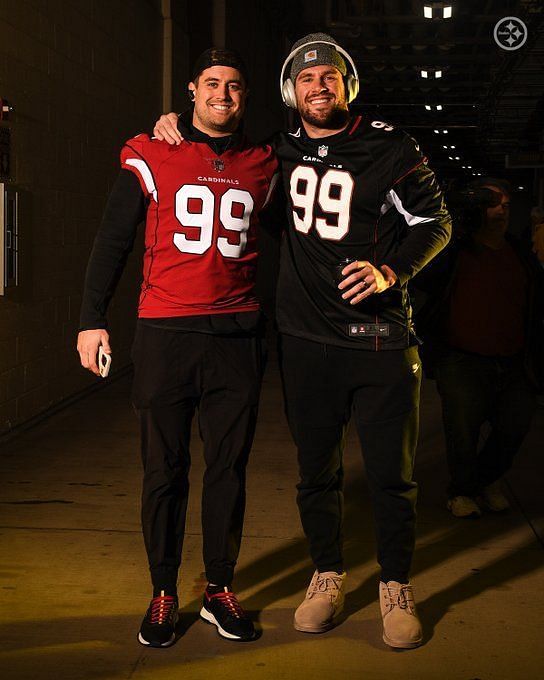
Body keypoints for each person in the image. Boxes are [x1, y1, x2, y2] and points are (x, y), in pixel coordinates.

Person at [154, 33, 451, 649]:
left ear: (347, 85)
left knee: (391, 476)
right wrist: (172, 126)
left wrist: (391, 270)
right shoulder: (277, 153)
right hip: (304, 342)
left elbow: (436, 222)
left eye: (331, 77)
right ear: (292, 91)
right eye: (308, 78)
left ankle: (395, 584)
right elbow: (222, 163)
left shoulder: (390, 147)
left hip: (379, 340)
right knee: (316, 473)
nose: (320, 87)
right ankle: (328, 573)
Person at [77, 48, 278, 648]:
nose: (224, 94)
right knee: (163, 470)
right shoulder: (152, 150)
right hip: (165, 331)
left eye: (235, 86)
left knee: (229, 470)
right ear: (192, 90)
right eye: (212, 83)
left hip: (237, 335)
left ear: (247, 96)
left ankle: (219, 586)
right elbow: (113, 239)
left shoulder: (266, 160)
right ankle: (164, 589)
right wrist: (91, 319)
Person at [415, 179, 543, 518]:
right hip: (462, 359)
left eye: (505, 203)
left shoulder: (519, 253)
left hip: (513, 360)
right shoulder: (456, 252)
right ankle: (462, 492)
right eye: (491, 203)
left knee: (514, 426)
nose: (501, 209)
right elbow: (424, 284)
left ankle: (481, 482)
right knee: (462, 431)